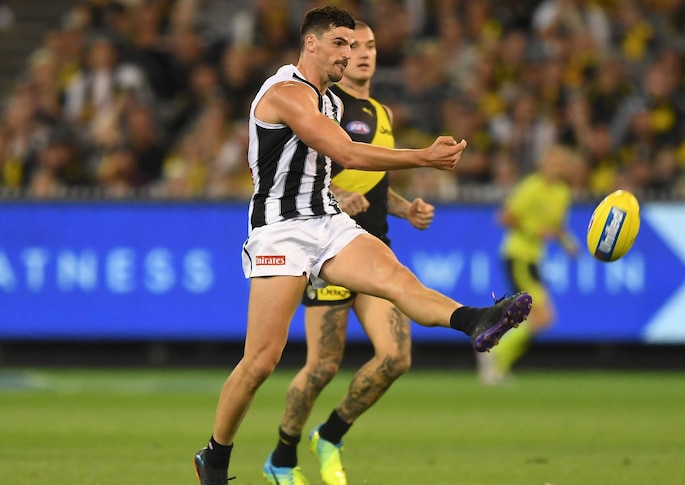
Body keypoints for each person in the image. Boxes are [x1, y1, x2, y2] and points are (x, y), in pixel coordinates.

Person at [193, 7, 533, 485]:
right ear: (311, 44)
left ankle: (476, 320)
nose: (348, 55)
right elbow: (346, 153)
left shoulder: (331, 103)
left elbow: (327, 174)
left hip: (326, 222)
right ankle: (215, 458)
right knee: (262, 360)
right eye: (339, 44)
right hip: (280, 230)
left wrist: (384, 204)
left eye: (354, 46)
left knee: (395, 278)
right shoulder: (287, 93)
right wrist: (423, 157)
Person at [261, 21, 434, 485]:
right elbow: (303, 168)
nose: (363, 53)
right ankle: (281, 457)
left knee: (397, 357)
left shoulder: (382, 111)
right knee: (322, 366)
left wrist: (403, 209)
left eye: (372, 45)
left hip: (373, 247)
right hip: (326, 247)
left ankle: (331, 434)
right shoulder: (323, 105)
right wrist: (334, 190)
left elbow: (375, 183)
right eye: (352, 45)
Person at [477, 144, 579, 386]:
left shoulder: (562, 192)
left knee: (539, 319)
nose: (556, 166)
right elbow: (504, 217)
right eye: (552, 161)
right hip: (518, 256)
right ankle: (492, 352)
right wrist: (535, 231)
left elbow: (557, 227)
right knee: (542, 316)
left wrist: (568, 244)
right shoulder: (531, 187)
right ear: (543, 164)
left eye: (560, 162)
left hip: (534, 259)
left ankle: (496, 362)